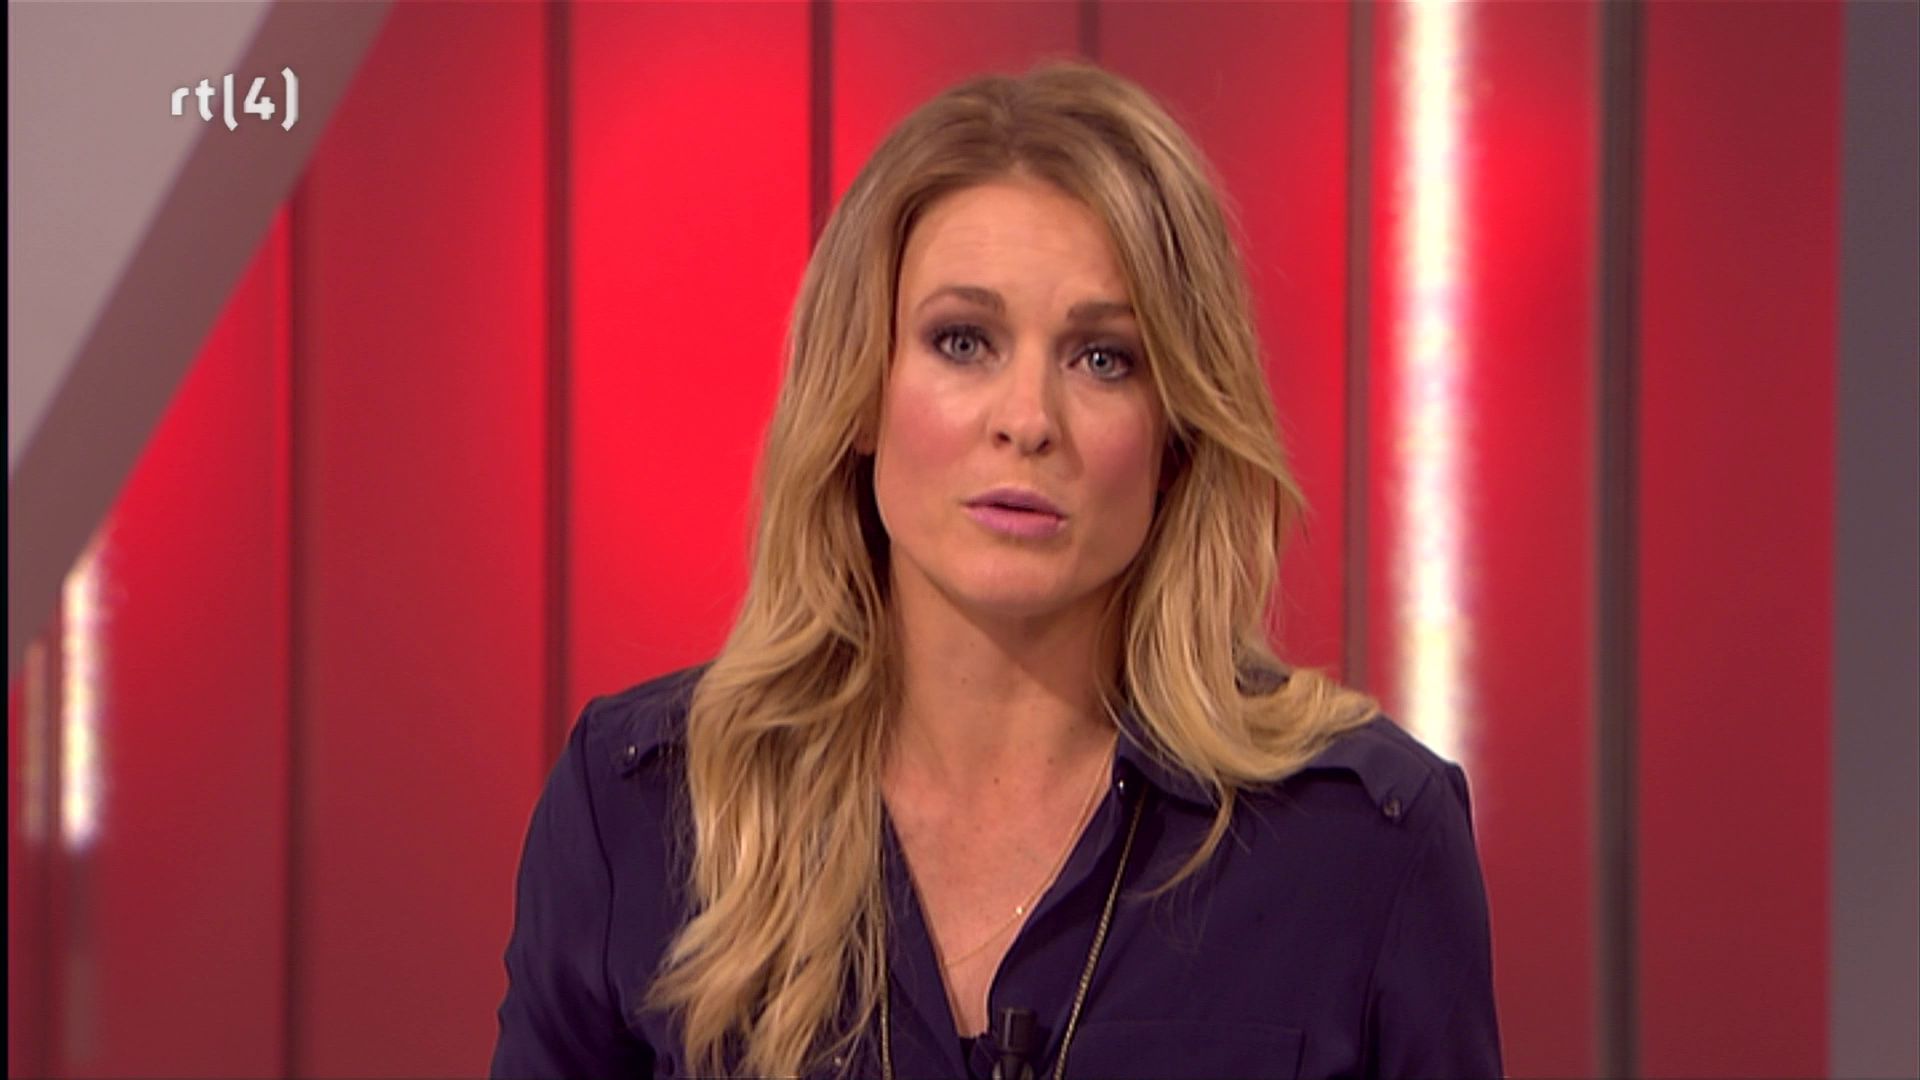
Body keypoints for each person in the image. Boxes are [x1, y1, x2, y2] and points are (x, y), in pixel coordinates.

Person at [491, 61, 1501, 1080]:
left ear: (1177, 435)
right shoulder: (645, 809)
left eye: (1103, 358)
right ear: (861, 393)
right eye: (963, 341)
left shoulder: (1364, 839)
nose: (1027, 420)